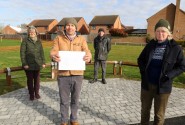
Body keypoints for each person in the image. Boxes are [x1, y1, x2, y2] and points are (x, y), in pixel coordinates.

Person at [138, 19, 185, 125]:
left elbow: (182, 66)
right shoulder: (151, 45)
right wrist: (143, 73)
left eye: (163, 31)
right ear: (155, 32)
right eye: (158, 31)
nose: (160, 34)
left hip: (163, 87)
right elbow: (140, 60)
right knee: (144, 111)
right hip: (147, 85)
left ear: (168, 33)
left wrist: (169, 75)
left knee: (159, 115)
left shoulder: (175, 48)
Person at [50, 18, 92, 125]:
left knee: (75, 99)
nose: (70, 27)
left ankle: (73, 119)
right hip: (63, 75)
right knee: (64, 100)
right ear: (65, 27)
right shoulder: (58, 39)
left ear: (75, 27)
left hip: (78, 74)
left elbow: (87, 51)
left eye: (72, 25)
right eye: (68, 25)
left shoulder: (81, 39)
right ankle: (64, 120)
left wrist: (89, 57)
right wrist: (54, 56)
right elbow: (53, 51)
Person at [20, 26, 46, 101]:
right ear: (28, 33)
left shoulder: (39, 41)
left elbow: (41, 52)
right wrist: (24, 63)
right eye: (30, 32)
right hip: (28, 65)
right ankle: (31, 94)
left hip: (37, 64)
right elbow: (22, 53)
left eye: (33, 32)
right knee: (30, 80)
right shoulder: (25, 41)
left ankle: (36, 93)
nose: (32, 33)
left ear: (36, 33)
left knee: (37, 80)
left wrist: (43, 62)